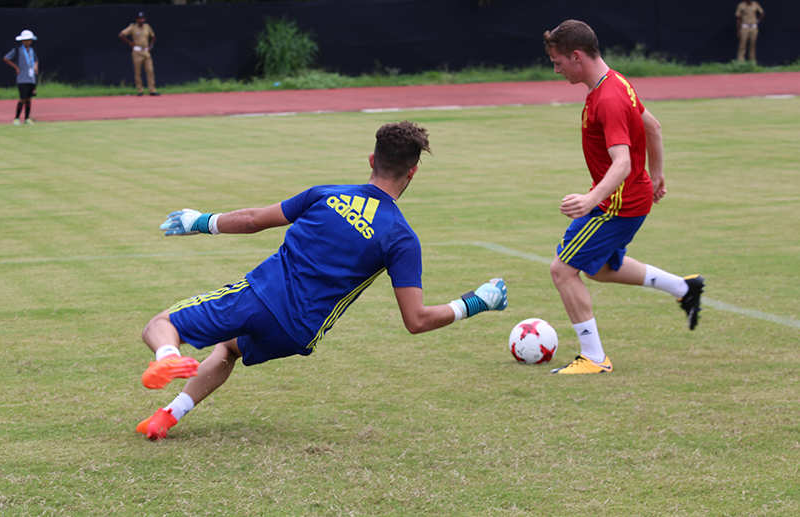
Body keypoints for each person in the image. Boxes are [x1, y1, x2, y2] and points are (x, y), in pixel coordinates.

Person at [135, 121, 508, 439]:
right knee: (228, 350)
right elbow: (417, 320)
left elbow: (251, 221)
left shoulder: (325, 195)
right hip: (298, 332)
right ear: (412, 172)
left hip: (259, 298)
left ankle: (168, 358)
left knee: (161, 325)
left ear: (372, 160)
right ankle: (167, 416)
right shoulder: (402, 238)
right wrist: (476, 302)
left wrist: (200, 221)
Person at [542, 20, 705, 375]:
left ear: (576, 56)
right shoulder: (617, 82)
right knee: (601, 269)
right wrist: (656, 175)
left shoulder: (609, 97)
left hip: (615, 204)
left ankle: (594, 358)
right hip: (630, 196)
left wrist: (590, 200)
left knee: (562, 270)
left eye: (558, 62)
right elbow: (653, 126)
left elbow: (623, 162)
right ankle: (684, 287)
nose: (556, 69)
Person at [3, 29, 39, 126]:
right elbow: (6, 58)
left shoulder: (32, 51)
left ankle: (27, 118)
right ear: (22, 41)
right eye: (26, 40)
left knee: (28, 98)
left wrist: (36, 67)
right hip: (22, 78)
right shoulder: (17, 50)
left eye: (29, 40)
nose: (28, 42)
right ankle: (17, 118)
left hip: (31, 78)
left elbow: (36, 60)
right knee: (22, 98)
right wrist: (16, 67)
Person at [118, 11, 159, 96]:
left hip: (146, 51)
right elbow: (121, 35)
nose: (141, 20)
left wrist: (151, 46)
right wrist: (130, 43)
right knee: (138, 72)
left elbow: (153, 36)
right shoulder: (133, 27)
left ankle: (152, 90)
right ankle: (140, 90)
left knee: (150, 70)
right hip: (137, 51)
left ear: (144, 19)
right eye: (139, 18)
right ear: (136, 19)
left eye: (142, 18)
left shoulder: (147, 26)